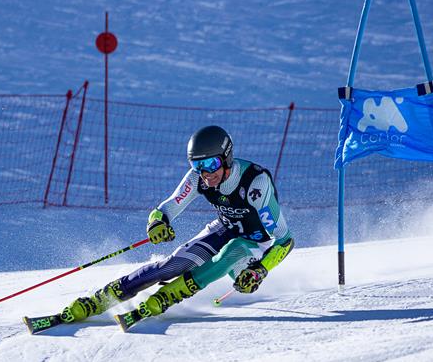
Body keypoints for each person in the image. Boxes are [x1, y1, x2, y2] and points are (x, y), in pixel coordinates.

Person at [59, 125, 294, 331]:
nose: (205, 173)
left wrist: (261, 270)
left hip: (256, 245)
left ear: (227, 158)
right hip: (224, 228)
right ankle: (101, 299)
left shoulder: (255, 183)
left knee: (232, 251)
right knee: (173, 265)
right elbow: (167, 207)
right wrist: (157, 222)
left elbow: (285, 241)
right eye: (197, 165)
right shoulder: (198, 178)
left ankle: (168, 295)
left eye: (211, 164)